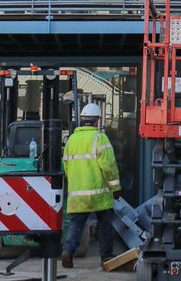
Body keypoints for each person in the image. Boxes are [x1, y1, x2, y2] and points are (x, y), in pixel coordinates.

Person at [60, 103, 120, 268]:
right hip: (99, 193)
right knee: (105, 224)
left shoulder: (71, 140)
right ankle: (106, 257)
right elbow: (109, 166)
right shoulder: (100, 138)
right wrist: (116, 188)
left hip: (78, 194)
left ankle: (68, 251)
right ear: (97, 121)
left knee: (76, 224)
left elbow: (66, 165)